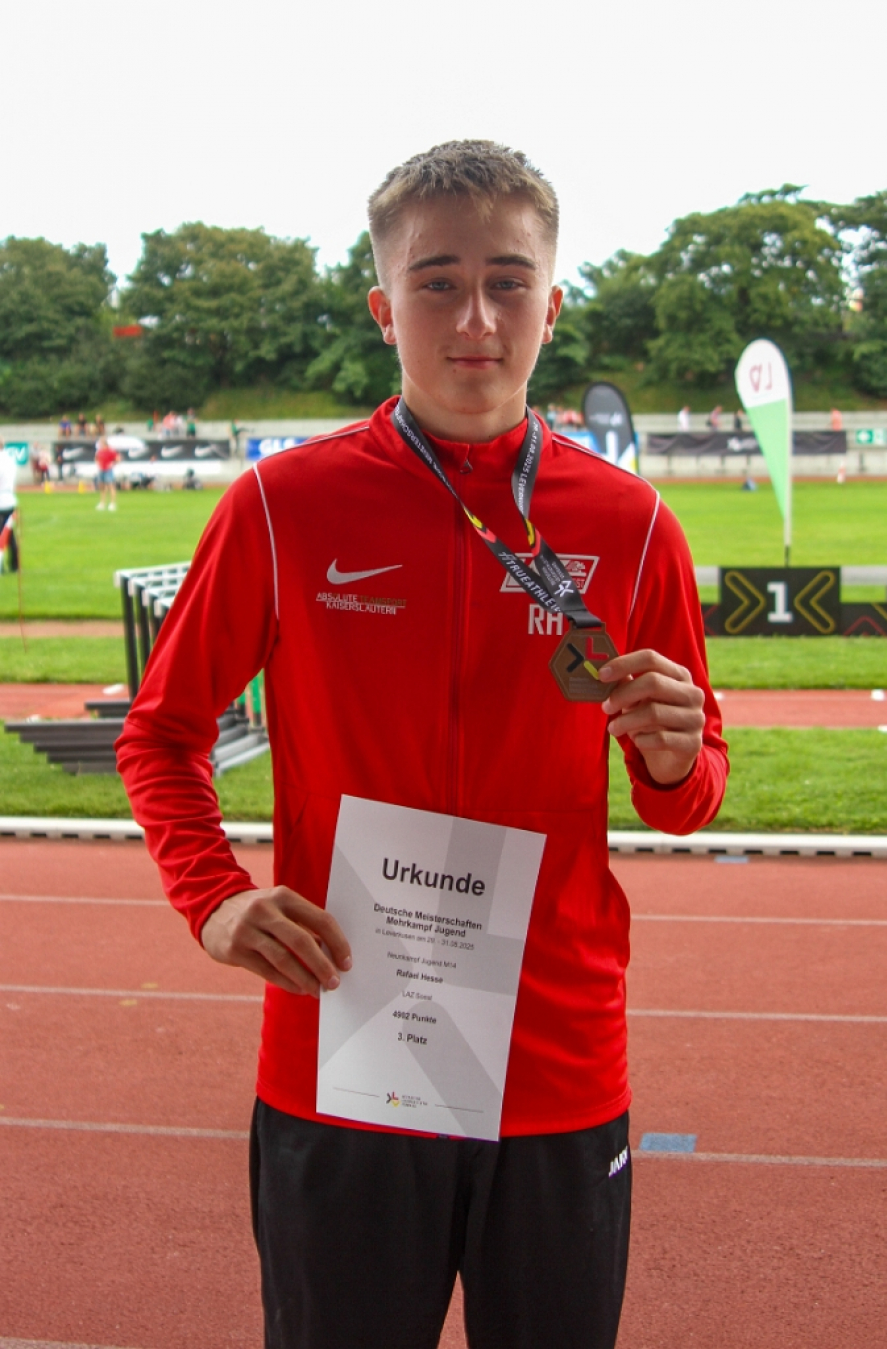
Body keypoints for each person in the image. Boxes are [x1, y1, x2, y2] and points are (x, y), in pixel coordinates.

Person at [116, 140, 728, 1349]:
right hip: (347, 1046)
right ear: (382, 304)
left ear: (554, 303)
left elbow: (687, 794)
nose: (476, 318)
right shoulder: (282, 506)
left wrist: (673, 757)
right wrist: (213, 896)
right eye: (437, 281)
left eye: (508, 281)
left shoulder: (632, 523)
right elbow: (163, 731)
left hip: (556, 1062)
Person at [0, 443, 19, 573]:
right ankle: (14, 564)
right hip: (10, 499)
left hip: (1, 500)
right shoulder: (10, 459)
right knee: (10, 534)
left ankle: (0, 565)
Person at [94, 436, 118, 510]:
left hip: (108, 470)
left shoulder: (111, 451)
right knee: (102, 487)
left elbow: (117, 459)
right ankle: (102, 503)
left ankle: (112, 503)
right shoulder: (99, 451)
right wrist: (98, 464)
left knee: (110, 486)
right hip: (101, 470)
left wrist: (112, 464)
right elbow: (96, 458)